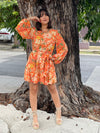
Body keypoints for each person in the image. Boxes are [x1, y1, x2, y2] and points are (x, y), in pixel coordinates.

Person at [15, 8, 68, 130]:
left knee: (52, 87)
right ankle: (34, 117)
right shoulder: (34, 32)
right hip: (34, 64)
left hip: (47, 63)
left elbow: (63, 48)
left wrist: (54, 58)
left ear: (49, 18)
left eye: (46, 15)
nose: (44, 17)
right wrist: (30, 18)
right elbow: (20, 28)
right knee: (33, 89)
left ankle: (58, 111)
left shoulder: (54, 33)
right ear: (39, 19)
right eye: (41, 15)